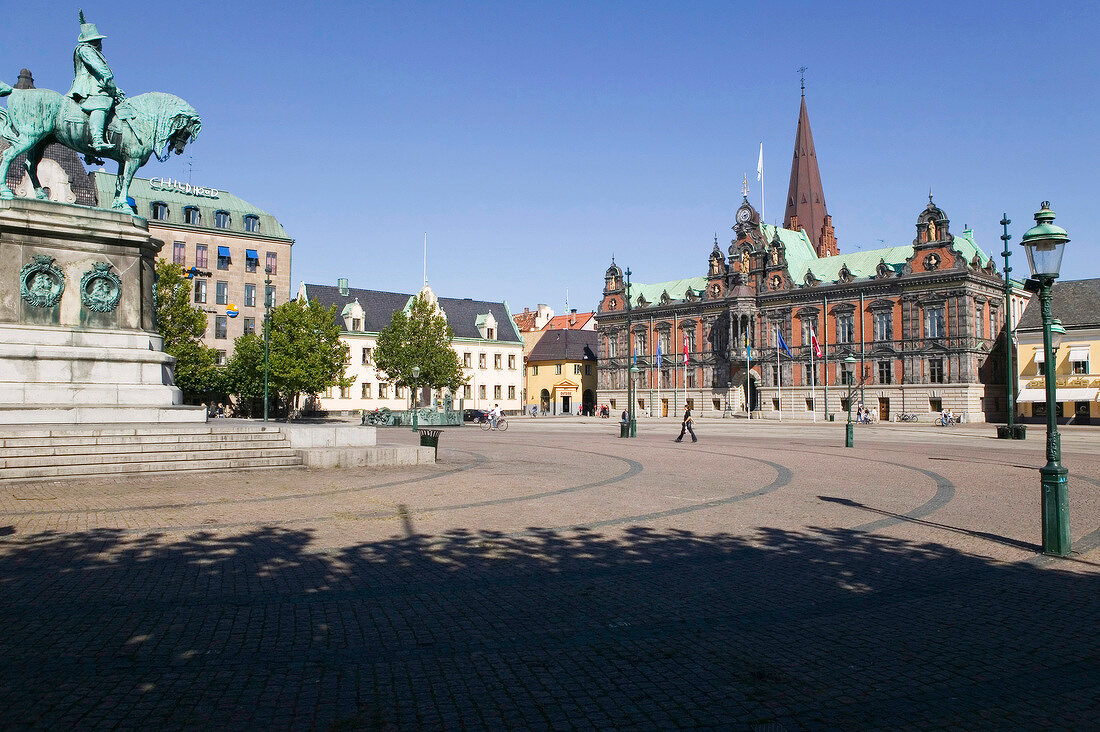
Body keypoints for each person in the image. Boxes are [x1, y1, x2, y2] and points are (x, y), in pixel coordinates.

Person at [67, 12, 124, 153]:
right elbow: (101, 70)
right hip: (88, 87)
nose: (100, 43)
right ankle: (97, 140)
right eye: (98, 40)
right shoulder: (86, 50)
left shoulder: (91, 50)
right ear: (94, 41)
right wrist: (110, 82)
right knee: (101, 104)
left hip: (94, 84)